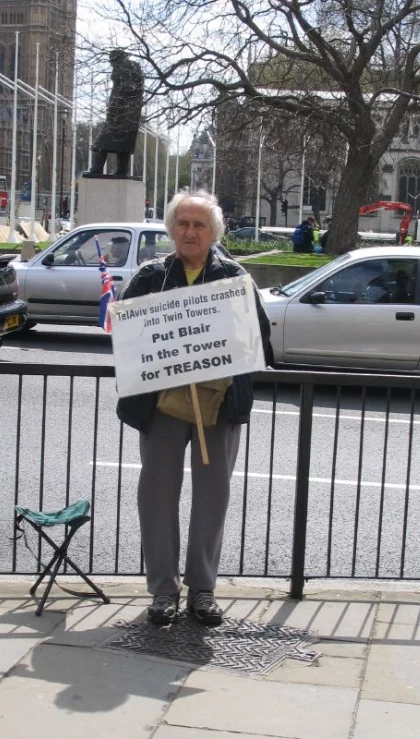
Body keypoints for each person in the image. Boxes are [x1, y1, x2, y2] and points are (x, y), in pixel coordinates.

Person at [116, 189, 270, 627]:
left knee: (212, 497)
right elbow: (127, 341)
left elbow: (259, 343)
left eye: (199, 225)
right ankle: (163, 591)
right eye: (182, 223)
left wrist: (212, 351)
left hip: (217, 408)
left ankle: (202, 590)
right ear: (171, 229)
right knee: (157, 497)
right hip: (161, 408)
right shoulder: (150, 277)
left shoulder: (234, 278)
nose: (189, 232)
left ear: (213, 232)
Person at [88, 49, 144, 177]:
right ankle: (121, 171)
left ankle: (97, 170)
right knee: (123, 148)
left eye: (112, 61)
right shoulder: (133, 69)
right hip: (130, 118)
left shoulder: (125, 69)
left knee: (98, 146)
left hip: (119, 117)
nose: (111, 64)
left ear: (116, 59)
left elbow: (124, 90)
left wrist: (113, 106)